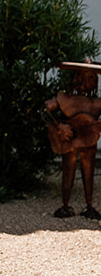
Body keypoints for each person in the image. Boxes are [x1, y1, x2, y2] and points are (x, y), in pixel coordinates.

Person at [45, 62, 101, 219]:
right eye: (86, 76)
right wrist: (58, 126)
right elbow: (45, 109)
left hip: (89, 143)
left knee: (88, 171)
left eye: (92, 77)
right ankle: (65, 205)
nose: (89, 81)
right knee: (68, 169)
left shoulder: (96, 103)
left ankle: (89, 206)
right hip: (69, 142)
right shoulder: (64, 99)